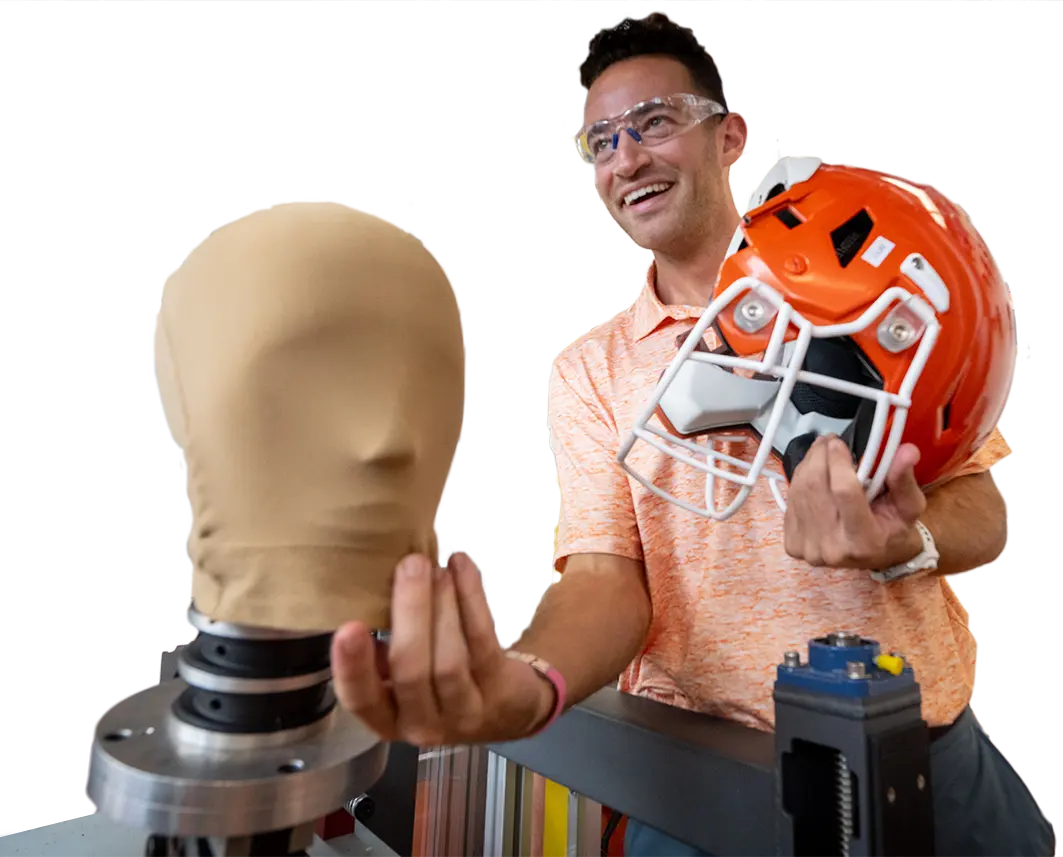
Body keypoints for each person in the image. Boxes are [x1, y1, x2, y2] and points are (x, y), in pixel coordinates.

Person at [329, 11, 1054, 857]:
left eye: (655, 123)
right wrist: (526, 680)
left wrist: (907, 539)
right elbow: (606, 579)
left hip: (929, 749)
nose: (626, 157)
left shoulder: (867, 283)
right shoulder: (592, 371)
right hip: (707, 774)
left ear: (729, 135)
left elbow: (981, 506)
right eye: (601, 141)